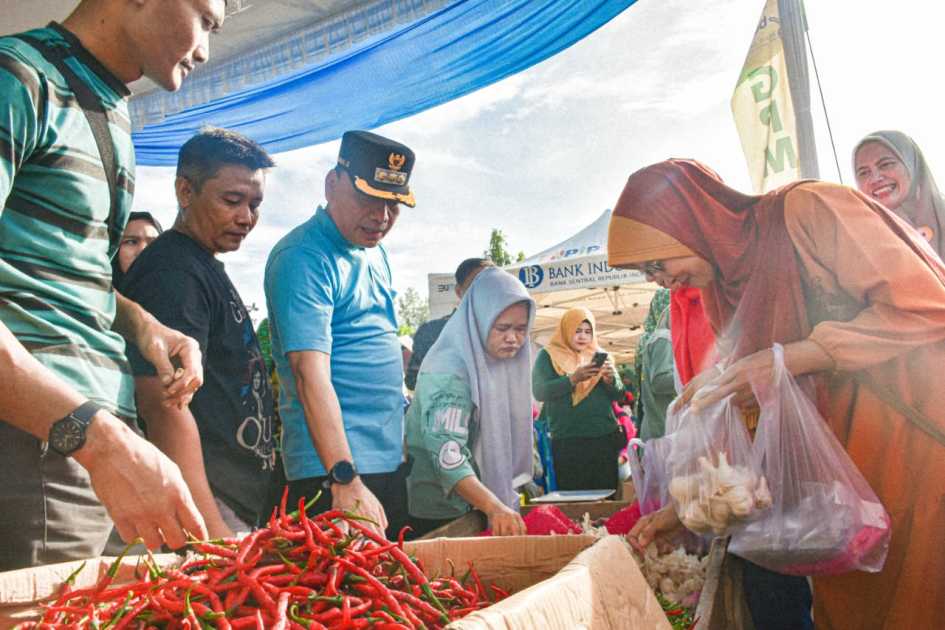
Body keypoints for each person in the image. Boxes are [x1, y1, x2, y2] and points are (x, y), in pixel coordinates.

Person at [608, 159, 945, 630]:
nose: (658, 281)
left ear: (689, 219)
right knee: (853, 610)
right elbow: (757, 418)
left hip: (911, 443)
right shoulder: (723, 286)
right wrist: (688, 507)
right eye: (646, 272)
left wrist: (799, 355)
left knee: (915, 604)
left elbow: (928, 303)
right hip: (844, 480)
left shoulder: (807, 212)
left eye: (655, 263)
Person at [0, 0, 229, 569]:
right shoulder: (18, 77)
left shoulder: (110, 107)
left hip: (94, 441)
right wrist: (97, 440)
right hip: (40, 442)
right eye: (203, 19)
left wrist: (143, 326)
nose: (205, 49)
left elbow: (74, 276)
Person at [122, 128, 277, 537]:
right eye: (232, 200)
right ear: (185, 191)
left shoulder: (201, 263)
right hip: (208, 503)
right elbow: (164, 405)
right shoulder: (172, 271)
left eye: (255, 204)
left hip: (229, 499)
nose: (246, 217)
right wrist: (210, 529)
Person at [265, 130, 416, 538]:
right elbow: (308, 372)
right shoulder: (304, 256)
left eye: (394, 204)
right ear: (332, 184)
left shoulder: (375, 252)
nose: (382, 216)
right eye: (369, 198)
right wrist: (343, 477)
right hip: (332, 475)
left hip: (382, 466)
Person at [405, 267, 534, 537]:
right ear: (479, 321)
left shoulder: (491, 361)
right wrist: (494, 507)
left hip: (476, 505)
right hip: (442, 513)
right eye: (502, 328)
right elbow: (448, 456)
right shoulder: (449, 373)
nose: (513, 338)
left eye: (521, 329)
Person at [532, 307, 626, 492]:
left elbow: (619, 394)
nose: (583, 336)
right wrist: (572, 379)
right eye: (577, 330)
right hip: (568, 439)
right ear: (566, 329)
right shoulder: (548, 355)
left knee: (605, 494)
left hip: (604, 437)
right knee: (573, 496)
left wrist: (611, 380)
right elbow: (540, 391)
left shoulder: (601, 356)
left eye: (588, 331)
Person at [405, 258, 493, 390]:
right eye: (476, 285)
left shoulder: (507, 334)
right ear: (459, 291)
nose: (484, 292)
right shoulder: (431, 331)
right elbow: (412, 381)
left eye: (491, 285)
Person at [853, 130, 945, 258]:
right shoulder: (858, 241)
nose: (875, 179)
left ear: (911, 165)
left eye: (886, 164)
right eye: (864, 172)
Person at [638, 297, 675, 440]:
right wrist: (691, 376)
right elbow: (659, 382)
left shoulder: (661, 337)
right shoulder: (664, 338)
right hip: (662, 430)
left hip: (659, 428)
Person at [111, 211, 163, 290]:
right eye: (131, 242)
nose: (142, 251)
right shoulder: (96, 294)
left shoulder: (178, 293)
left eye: (153, 243)